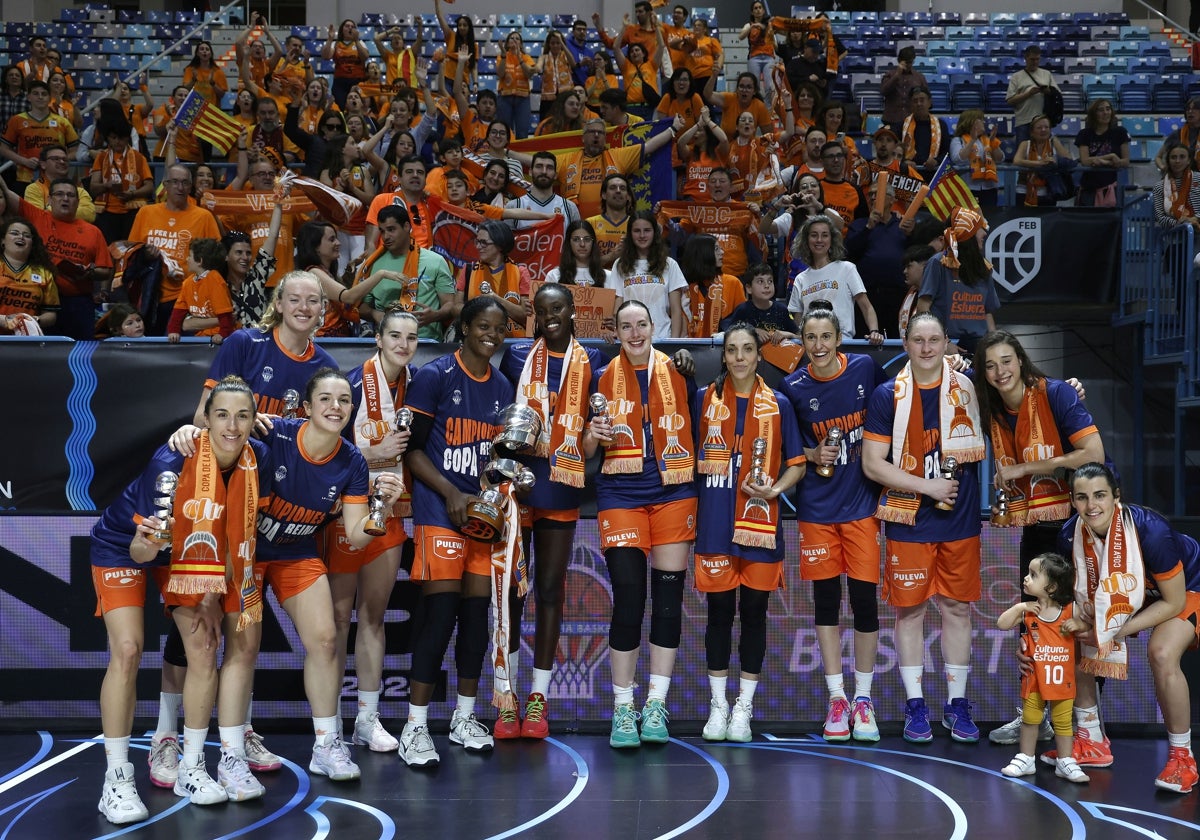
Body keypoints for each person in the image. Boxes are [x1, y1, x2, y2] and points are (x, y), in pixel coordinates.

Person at [92, 376, 270, 824]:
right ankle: (116, 778)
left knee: (204, 648)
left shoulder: (256, 458)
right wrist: (148, 545)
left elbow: (235, 536)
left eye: (242, 415)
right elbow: (142, 550)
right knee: (128, 650)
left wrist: (212, 592)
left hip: (196, 554)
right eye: (222, 414)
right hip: (126, 546)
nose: (232, 425)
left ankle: (192, 766)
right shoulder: (171, 460)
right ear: (204, 419)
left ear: (254, 420)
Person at [398, 296, 515, 767]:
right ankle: (415, 726)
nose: (491, 334)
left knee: (475, 618)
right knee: (440, 615)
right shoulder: (435, 376)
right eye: (482, 325)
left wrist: (493, 496)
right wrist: (449, 492)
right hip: (439, 511)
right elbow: (412, 451)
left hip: (481, 520)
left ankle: (465, 717)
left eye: (499, 328)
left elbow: (500, 458)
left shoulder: (503, 386)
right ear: (464, 328)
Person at [974, 330, 1106, 743]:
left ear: (1022, 360)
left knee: (1077, 621)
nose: (1000, 372)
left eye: (1007, 361)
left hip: (1077, 521)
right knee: (1034, 620)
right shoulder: (990, 405)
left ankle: (1085, 724)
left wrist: (1026, 468)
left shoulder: (1057, 395)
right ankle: (1034, 715)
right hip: (1034, 523)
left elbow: (1094, 454)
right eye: (990, 365)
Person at [861, 311, 987, 745]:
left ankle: (957, 704)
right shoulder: (886, 395)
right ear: (905, 343)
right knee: (910, 611)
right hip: (908, 518)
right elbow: (872, 464)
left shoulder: (969, 387)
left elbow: (1018, 387)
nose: (927, 347)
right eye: (918, 339)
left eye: (935, 339)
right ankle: (915, 705)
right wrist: (927, 486)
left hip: (960, 518)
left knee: (956, 609)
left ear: (947, 342)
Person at [583, 299, 697, 748]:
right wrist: (595, 435)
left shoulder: (681, 371)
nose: (635, 333)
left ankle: (656, 704)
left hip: (674, 490)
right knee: (629, 598)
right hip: (620, 493)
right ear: (615, 332)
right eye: (626, 326)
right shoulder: (601, 377)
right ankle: (623, 707)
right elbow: (588, 451)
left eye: (642, 324)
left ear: (655, 326)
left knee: (668, 602)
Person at [1046, 463, 1200, 793]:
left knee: (1161, 652)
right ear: (1073, 501)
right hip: (1136, 594)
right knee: (1073, 633)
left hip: (1184, 588)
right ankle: (1092, 741)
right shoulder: (1067, 536)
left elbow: (1172, 603)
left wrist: (1112, 631)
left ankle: (1182, 758)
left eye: (1100, 495)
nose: (1092, 506)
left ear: (1117, 496)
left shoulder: (1151, 530)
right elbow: (1070, 604)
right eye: (1082, 498)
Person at [497, 284, 609, 736]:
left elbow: (595, 426)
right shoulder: (516, 357)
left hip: (562, 484)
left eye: (558, 308)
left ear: (572, 310)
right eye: (542, 311)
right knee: (510, 593)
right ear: (535, 316)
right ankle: (507, 696)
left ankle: (538, 699)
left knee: (548, 590)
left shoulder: (594, 362)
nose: (551, 317)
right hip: (519, 486)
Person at [781, 306, 889, 742]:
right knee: (826, 604)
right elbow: (785, 446)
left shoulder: (866, 368)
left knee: (864, 605)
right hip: (818, 511)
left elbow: (897, 411)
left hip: (863, 508)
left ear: (840, 338)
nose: (820, 346)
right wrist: (810, 456)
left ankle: (864, 699)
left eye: (827, 336)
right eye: (811, 338)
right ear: (802, 342)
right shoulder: (792, 387)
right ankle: (837, 699)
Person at [695, 324, 805, 741]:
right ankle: (718, 706)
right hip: (716, 525)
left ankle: (744, 707)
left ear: (759, 355)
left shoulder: (778, 404)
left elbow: (797, 462)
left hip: (761, 526)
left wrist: (775, 489)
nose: (739, 357)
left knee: (754, 616)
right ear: (723, 356)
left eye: (747, 349)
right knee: (720, 615)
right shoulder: (703, 400)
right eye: (732, 350)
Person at [325, 309, 420, 754]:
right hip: (349, 512)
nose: (403, 344)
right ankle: (330, 725)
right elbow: (326, 445)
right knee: (339, 620)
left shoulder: (415, 385)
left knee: (374, 616)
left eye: (411, 337)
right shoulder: (351, 385)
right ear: (378, 339)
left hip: (394, 512)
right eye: (395, 335)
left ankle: (367, 717)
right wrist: (373, 450)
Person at [995, 553, 1091, 783]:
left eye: (1034, 575)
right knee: (1030, 719)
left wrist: (1079, 624)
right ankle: (1026, 758)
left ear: (1052, 586)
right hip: (1035, 679)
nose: (1026, 578)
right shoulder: (1029, 611)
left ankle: (1065, 761)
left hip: (1062, 681)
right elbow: (1002, 624)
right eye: (1028, 573)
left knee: (1063, 721)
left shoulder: (1070, 610)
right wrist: (1019, 607)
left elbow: (1091, 626)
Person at [0, 174, 110, 341]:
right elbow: (7, 192)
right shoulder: (37, 216)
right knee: (43, 351)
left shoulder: (93, 232)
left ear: (78, 202)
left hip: (77, 302)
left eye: (71, 195)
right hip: (38, 300)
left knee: (81, 352)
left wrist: (89, 272)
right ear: (49, 200)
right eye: (59, 194)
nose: (65, 198)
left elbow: (106, 270)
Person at [128, 164, 221, 334]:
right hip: (150, 296)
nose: (180, 187)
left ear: (191, 186)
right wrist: (146, 256)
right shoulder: (145, 213)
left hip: (188, 299)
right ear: (165, 184)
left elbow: (216, 260)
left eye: (185, 183)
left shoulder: (203, 217)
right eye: (175, 182)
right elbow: (131, 254)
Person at [359, 204, 456, 339]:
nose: (386, 236)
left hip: (426, 343)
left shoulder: (436, 261)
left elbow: (450, 304)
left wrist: (435, 315)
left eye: (391, 229)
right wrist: (374, 313)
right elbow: (361, 307)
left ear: (406, 226)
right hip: (387, 342)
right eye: (382, 231)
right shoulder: (373, 264)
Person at [554, 115, 680, 219]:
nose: (596, 135)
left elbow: (648, 147)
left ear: (605, 139)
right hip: (576, 227)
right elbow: (539, 162)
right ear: (583, 138)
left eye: (601, 133)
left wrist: (673, 129)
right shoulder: (567, 159)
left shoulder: (617, 156)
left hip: (612, 225)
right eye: (592, 132)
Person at [915, 206, 1000, 356]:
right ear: (966, 233)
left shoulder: (984, 267)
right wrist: (941, 342)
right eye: (980, 228)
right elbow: (923, 307)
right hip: (948, 345)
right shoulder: (938, 262)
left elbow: (987, 313)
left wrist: (995, 346)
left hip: (981, 345)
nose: (985, 233)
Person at [786, 214, 883, 345]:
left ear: (832, 239)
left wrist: (874, 331)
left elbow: (866, 306)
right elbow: (799, 321)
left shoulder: (846, 268)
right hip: (812, 346)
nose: (819, 240)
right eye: (814, 235)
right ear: (806, 240)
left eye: (825, 235)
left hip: (842, 343)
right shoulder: (800, 279)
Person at [606, 210, 686, 338]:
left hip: (662, 338)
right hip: (630, 340)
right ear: (630, 234)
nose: (642, 235)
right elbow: (617, 307)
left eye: (647, 230)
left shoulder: (670, 265)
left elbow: (676, 311)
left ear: (655, 232)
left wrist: (673, 343)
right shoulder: (619, 265)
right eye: (637, 231)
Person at [1, 80, 79, 187]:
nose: (40, 97)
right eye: (35, 93)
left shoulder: (62, 122)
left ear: (49, 97)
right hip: (25, 178)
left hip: (56, 180)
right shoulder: (16, 120)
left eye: (44, 94)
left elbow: (75, 151)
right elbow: (3, 149)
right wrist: (24, 161)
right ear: (28, 97)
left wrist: (55, 161)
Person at [90, 118, 154, 243]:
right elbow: (93, 187)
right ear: (108, 138)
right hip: (107, 212)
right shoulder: (101, 157)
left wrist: (132, 194)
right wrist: (107, 185)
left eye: (121, 138)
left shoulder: (139, 158)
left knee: (130, 249)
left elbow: (150, 186)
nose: (117, 141)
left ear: (127, 138)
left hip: (132, 212)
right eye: (113, 138)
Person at [679, 233, 746, 338]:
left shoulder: (733, 283)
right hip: (690, 348)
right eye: (716, 249)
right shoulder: (685, 287)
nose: (722, 252)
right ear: (703, 254)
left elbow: (743, 322)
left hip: (724, 347)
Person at [167, 238, 234, 343]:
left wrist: (223, 334)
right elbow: (178, 311)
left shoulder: (214, 279)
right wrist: (173, 331)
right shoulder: (188, 283)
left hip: (219, 339)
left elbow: (225, 314)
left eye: (190, 256)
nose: (187, 259)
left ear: (200, 261)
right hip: (201, 338)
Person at [0, 216, 58, 335]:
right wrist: (4, 320)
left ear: (32, 244)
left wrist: (35, 320)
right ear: (3, 240)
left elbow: (51, 314)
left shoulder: (44, 273)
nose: (21, 237)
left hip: (27, 339)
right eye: (14, 233)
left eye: (26, 235)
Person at [1074, 99, 1130, 207]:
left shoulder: (1120, 132)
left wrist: (1103, 162)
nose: (1105, 113)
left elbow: (1125, 161)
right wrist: (1111, 157)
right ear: (1093, 114)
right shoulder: (1084, 134)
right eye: (1101, 110)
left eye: (1108, 109)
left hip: (1111, 188)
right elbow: (1085, 161)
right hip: (1088, 188)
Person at [505, 152, 581, 231]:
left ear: (555, 175)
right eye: (539, 166)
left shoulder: (569, 208)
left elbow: (576, 239)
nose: (544, 171)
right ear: (530, 172)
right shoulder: (513, 206)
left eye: (549, 167)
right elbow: (506, 242)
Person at [721, 263, 797, 340]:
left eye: (770, 281)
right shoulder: (743, 310)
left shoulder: (782, 310)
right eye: (760, 281)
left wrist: (789, 335)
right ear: (749, 288)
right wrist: (751, 331)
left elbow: (799, 337)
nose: (767, 285)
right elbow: (728, 335)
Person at [1013, 114, 1073, 207]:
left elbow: (1069, 159)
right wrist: (1039, 163)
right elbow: (1016, 161)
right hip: (1024, 190)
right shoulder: (1025, 144)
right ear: (1032, 132)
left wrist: (1055, 160)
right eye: (1039, 128)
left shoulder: (1054, 142)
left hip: (1048, 191)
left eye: (1046, 127)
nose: (1043, 130)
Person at [1006, 45, 1060, 146]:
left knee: (1044, 152)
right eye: (1032, 59)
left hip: (1042, 121)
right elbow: (1010, 100)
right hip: (1023, 120)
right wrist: (1029, 94)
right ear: (1026, 58)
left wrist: (1047, 91)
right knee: (1023, 154)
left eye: (1037, 59)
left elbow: (1057, 94)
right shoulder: (1016, 76)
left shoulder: (1046, 74)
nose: (1035, 62)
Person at [950, 111, 1004, 206]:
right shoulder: (958, 140)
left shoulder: (987, 140)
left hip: (989, 188)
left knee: (989, 218)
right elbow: (958, 159)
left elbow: (1000, 158)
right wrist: (972, 140)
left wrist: (993, 142)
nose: (984, 122)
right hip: (968, 188)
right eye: (981, 120)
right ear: (971, 122)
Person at [901, 87, 950, 179]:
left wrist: (936, 161)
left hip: (934, 175)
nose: (919, 104)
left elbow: (947, 152)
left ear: (929, 102)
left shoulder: (941, 125)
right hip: (908, 176)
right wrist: (904, 162)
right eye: (915, 101)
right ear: (911, 105)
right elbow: (895, 151)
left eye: (922, 100)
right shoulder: (902, 125)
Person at [1152, 140, 1200, 231]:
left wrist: (1195, 219)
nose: (1177, 161)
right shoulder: (1159, 187)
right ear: (1168, 161)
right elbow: (1160, 218)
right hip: (1175, 236)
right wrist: (1184, 223)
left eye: (1182, 157)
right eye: (1173, 157)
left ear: (1189, 160)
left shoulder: (1199, 179)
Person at [587, 173, 632, 269]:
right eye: (613, 188)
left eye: (623, 188)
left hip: (628, 280)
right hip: (598, 281)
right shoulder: (590, 223)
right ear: (604, 195)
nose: (618, 191)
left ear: (628, 196)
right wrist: (612, 256)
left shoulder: (636, 225)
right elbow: (583, 263)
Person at [880, 46, 927, 135]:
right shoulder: (890, 75)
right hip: (892, 119)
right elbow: (883, 91)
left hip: (913, 120)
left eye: (910, 62)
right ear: (899, 61)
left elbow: (927, 97)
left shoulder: (919, 77)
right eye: (906, 62)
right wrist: (897, 75)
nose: (909, 65)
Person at [321, 20, 368, 108]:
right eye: (347, 26)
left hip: (357, 81)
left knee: (357, 107)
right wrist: (330, 39)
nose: (350, 28)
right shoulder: (335, 44)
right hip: (340, 82)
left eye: (352, 26)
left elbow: (365, 57)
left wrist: (356, 40)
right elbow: (326, 56)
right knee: (340, 107)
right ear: (342, 29)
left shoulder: (360, 43)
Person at [545, 219, 607, 286]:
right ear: (569, 243)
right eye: (576, 239)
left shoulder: (608, 276)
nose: (582, 244)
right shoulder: (554, 275)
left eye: (587, 239)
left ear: (593, 242)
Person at [740, 1, 778, 104]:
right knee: (753, 85)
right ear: (752, 12)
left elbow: (780, 35)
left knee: (770, 86)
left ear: (763, 10)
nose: (758, 10)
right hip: (754, 57)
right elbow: (741, 36)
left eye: (760, 7)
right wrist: (751, 27)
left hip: (769, 57)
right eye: (755, 8)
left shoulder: (770, 24)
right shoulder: (749, 25)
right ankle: (755, 107)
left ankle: (769, 109)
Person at [537, 31, 577, 124]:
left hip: (565, 96)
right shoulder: (544, 57)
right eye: (553, 43)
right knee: (546, 123)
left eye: (558, 43)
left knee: (566, 123)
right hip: (548, 98)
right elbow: (538, 67)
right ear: (549, 44)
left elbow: (573, 64)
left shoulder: (566, 56)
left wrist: (562, 43)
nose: (555, 45)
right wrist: (535, 69)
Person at [183, 41, 228, 107]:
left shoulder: (218, 71)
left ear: (210, 54)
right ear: (197, 53)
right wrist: (193, 80)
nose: (204, 51)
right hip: (193, 108)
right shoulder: (190, 69)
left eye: (207, 49)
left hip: (212, 109)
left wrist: (213, 84)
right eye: (202, 49)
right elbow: (185, 90)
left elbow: (222, 95)